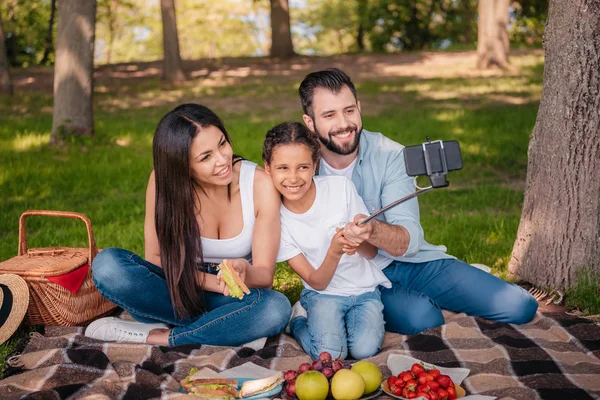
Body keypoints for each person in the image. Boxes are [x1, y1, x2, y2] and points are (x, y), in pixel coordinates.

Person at [295, 68, 538, 335]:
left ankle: (457, 279)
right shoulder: (299, 166)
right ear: (310, 122)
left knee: (520, 306)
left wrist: (372, 230)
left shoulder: (389, 154)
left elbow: (407, 242)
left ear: (359, 108)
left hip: (409, 262)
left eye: (349, 110)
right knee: (424, 320)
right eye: (329, 115)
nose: (344, 124)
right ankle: (308, 309)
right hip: (347, 278)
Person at [85, 104, 291, 346]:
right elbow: (155, 258)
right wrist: (211, 282)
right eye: (206, 157)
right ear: (183, 166)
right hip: (178, 287)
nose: (222, 159)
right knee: (108, 265)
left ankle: (162, 336)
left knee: (275, 308)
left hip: (233, 295)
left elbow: (265, 276)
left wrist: (243, 272)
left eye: (222, 143)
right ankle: (225, 327)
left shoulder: (258, 184)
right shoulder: (163, 183)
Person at [263, 121, 391, 360]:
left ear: (315, 165)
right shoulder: (276, 220)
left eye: (302, 167)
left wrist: (358, 238)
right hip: (322, 293)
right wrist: (334, 250)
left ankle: (326, 328)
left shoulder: (340, 188)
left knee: (364, 350)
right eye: (283, 168)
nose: (293, 178)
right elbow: (316, 281)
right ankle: (299, 320)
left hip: (364, 290)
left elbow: (371, 252)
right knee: (331, 356)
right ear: (268, 168)